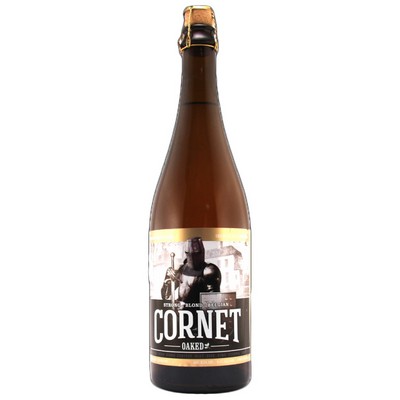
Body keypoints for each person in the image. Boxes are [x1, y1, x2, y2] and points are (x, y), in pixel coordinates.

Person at [161, 237, 221, 304]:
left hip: (197, 310)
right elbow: (165, 297)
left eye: (196, 253)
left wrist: (188, 306)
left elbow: (213, 302)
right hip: (181, 310)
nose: (193, 254)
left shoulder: (209, 271)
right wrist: (168, 281)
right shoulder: (180, 270)